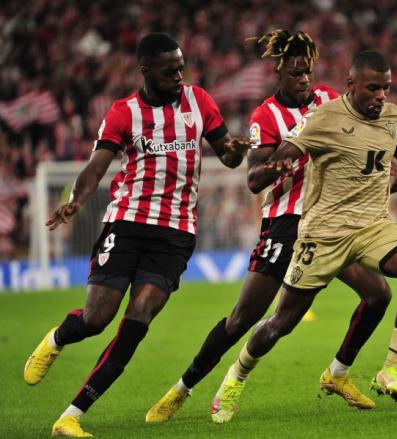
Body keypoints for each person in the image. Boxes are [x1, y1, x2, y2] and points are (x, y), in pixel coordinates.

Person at [206, 50, 397, 424]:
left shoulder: (392, 115)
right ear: (351, 86)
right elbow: (268, 168)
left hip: (371, 226)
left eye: (386, 88)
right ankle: (236, 376)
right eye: (372, 88)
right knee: (280, 323)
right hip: (324, 233)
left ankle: (389, 369)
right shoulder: (323, 117)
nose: (381, 96)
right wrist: (278, 164)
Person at [145, 31, 396, 425]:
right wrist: (280, 164)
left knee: (378, 293)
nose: (303, 79)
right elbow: (253, 180)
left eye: (308, 71)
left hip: (330, 223)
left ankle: (338, 372)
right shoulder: (266, 116)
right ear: (279, 70)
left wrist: (390, 166)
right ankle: (184, 387)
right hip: (285, 224)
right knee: (246, 319)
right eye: (295, 72)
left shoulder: (331, 100)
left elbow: (369, 136)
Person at [23, 33, 250, 438]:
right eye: (169, 71)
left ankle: (71, 415)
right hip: (127, 222)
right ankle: (57, 338)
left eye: (181, 68)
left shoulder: (200, 102)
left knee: (138, 317)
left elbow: (228, 159)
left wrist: (237, 150)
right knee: (96, 319)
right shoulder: (124, 112)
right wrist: (77, 199)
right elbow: (96, 167)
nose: (179, 77)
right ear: (146, 71)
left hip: (176, 232)